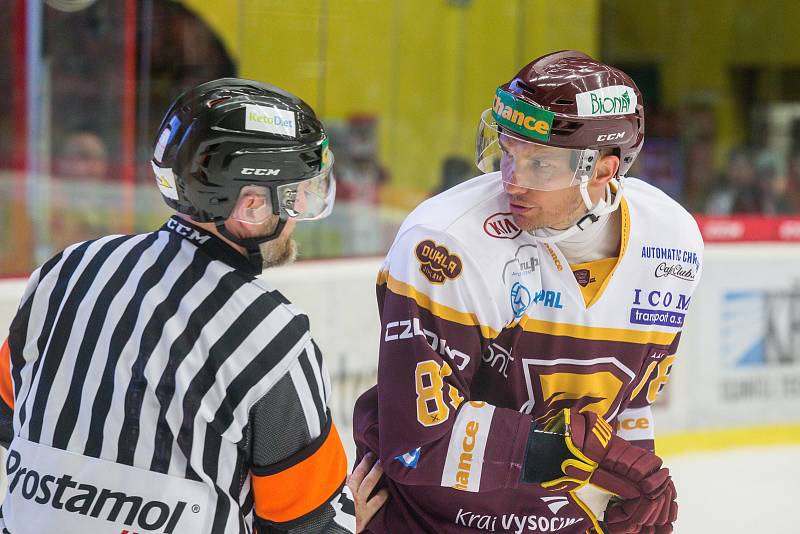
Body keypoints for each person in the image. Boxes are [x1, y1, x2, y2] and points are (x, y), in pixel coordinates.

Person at [0, 78, 377, 533]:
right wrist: (344, 519)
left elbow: (9, 414)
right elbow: (306, 524)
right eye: (294, 195)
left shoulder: (65, 271)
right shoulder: (272, 337)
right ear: (252, 207)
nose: (297, 214)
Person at [353, 51, 703, 533]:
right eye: (508, 151)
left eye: (539, 163)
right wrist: (570, 453)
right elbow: (415, 444)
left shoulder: (672, 243)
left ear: (603, 170)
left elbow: (629, 404)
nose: (512, 180)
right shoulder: (447, 243)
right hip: (434, 521)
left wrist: (629, 487)